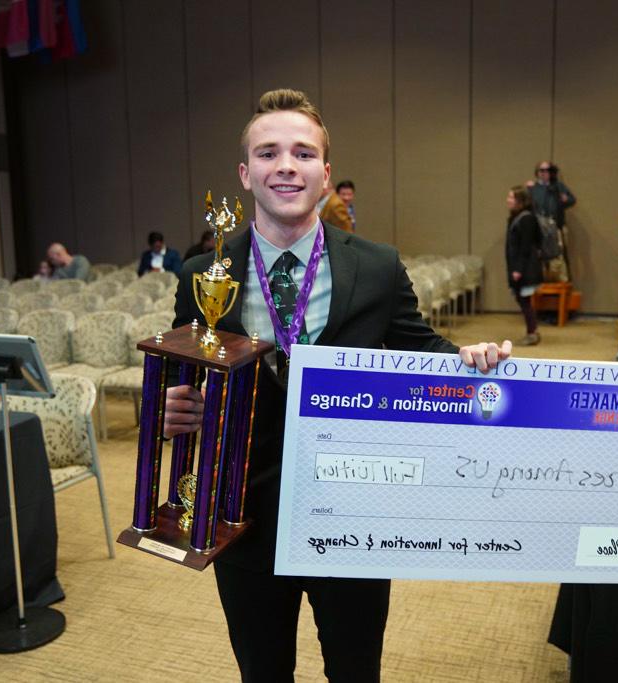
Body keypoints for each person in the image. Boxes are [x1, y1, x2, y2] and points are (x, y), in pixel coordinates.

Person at [165, 88, 512, 682]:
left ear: (325, 175)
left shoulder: (376, 266)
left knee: (356, 670)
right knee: (262, 670)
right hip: (241, 511)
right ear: (246, 174)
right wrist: (170, 409)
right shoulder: (204, 275)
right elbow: (183, 376)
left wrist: (466, 357)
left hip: (354, 509)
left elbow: (419, 348)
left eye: (303, 153)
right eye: (269, 152)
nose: (286, 165)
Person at [504, 186, 543, 346]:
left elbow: (526, 247)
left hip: (526, 269)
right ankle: (532, 331)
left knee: (524, 300)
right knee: (522, 299)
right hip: (520, 267)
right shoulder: (516, 217)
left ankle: (532, 332)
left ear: (520, 201)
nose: (508, 200)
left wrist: (518, 269)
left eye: (511, 197)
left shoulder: (527, 218)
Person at [526, 162, 575, 232]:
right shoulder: (533, 188)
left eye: (547, 170)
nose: (545, 172)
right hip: (538, 227)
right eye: (542, 170)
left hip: (556, 226)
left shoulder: (559, 186)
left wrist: (566, 199)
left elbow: (572, 200)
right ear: (537, 172)